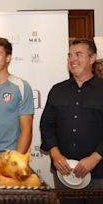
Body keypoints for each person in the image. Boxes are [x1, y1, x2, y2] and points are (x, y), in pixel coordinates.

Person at [40, 39, 103, 195]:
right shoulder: (57, 90)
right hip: (64, 175)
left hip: (99, 175)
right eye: (70, 55)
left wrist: (94, 158)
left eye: (78, 54)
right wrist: (55, 154)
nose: (72, 59)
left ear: (92, 58)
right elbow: (46, 126)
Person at [0, 37, 34, 154]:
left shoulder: (21, 87)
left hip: (10, 157)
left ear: (8, 58)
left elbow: (26, 130)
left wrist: (16, 160)